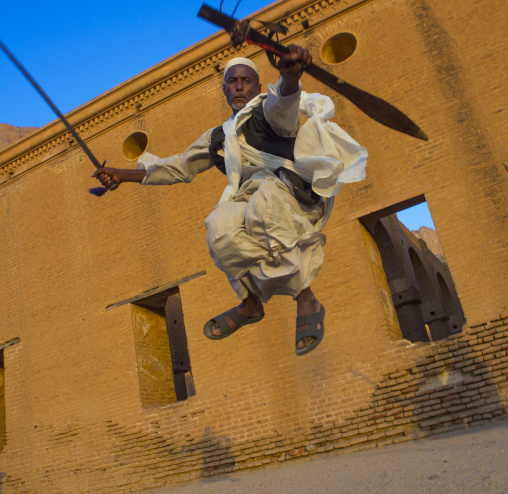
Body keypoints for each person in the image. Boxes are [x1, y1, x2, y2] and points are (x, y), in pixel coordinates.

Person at [93, 45, 367, 355]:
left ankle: (305, 297)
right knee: (218, 227)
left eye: (246, 81)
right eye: (232, 81)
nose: (239, 85)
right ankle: (251, 302)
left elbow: (286, 100)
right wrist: (121, 175)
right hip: (249, 199)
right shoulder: (218, 137)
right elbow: (179, 167)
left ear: (257, 86)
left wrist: (290, 75)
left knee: (265, 200)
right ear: (225, 90)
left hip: (292, 194)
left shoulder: (269, 112)